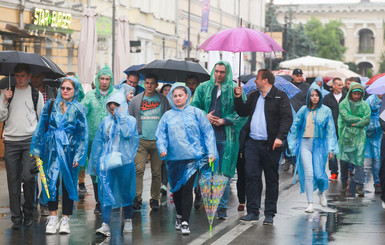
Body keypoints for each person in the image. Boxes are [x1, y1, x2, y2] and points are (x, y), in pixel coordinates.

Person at [156, 84, 217, 235]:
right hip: (174, 159)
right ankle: (179, 215)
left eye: (180, 95)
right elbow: (161, 134)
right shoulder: (167, 116)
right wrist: (162, 148)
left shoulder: (197, 113)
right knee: (177, 189)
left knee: (187, 189)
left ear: (187, 96)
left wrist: (211, 152)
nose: (177, 98)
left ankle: (185, 222)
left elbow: (208, 132)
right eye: (175, 96)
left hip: (193, 159)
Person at [30, 77, 88, 234]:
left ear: (75, 90)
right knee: (50, 182)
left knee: (68, 183)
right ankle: (53, 216)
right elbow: (41, 127)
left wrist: (79, 155)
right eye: (63, 88)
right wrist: (36, 149)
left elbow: (83, 133)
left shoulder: (79, 108)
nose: (65, 91)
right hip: (51, 149)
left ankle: (66, 219)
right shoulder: (50, 105)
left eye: (69, 88)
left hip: (70, 149)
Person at [234, 69, 292, 225]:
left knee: (271, 179)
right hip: (252, 143)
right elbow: (242, 111)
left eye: (257, 78)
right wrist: (238, 97)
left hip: (271, 145)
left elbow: (287, 119)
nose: (255, 81)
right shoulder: (254, 95)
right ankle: (253, 211)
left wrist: (280, 137)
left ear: (265, 80)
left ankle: (269, 213)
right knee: (251, 176)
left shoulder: (280, 96)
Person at [191, 61, 247, 219]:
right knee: (208, 173)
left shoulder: (235, 89)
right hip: (206, 139)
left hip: (227, 138)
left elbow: (243, 113)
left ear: (227, 72)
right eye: (216, 71)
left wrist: (225, 120)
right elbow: (194, 107)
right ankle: (209, 202)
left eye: (222, 72)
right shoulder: (203, 88)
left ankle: (222, 208)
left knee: (225, 175)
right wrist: (205, 115)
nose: (219, 74)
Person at [88, 92, 139, 236]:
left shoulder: (130, 120)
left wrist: (120, 120)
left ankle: (128, 219)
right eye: (111, 109)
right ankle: (105, 224)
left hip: (125, 162)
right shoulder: (105, 121)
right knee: (105, 192)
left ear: (123, 106)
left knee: (125, 192)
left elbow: (129, 134)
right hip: (108, 163)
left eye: (116, 107)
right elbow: (99, 142)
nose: (113, 111)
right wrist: (96, 162)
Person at [0, 63, 44, 230]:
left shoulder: (36, 94)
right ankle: (16, 217)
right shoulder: (7, 92)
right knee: (13, 181)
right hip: (11, 142)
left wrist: (40, 142)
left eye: (23, 76)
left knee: (28, 177)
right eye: (17, 76)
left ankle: (29, 213)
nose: (20, 79)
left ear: (29, 76)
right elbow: (0, 116)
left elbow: (41, 118)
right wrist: (5, 100)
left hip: (29, 141)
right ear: (14, 75)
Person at [287, 84, 338, 213]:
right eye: (312, 95)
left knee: (319, 174)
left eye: (317, 95)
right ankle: (310, 203)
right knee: (309, 174)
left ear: (320, 96)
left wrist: (331, 148)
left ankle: (321, 192)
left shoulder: (326, 110)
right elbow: (294, 127)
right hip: (305, 144)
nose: (314, 98)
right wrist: (293, 145)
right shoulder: (303, 110)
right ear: (309, 96)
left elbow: (331, 130)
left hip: (320, 145)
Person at [128, 73, 171, 210]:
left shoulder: (163, 100)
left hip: (157, 141)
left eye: (152, 83)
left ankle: (154, 198)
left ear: (157, 85)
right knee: (138, 169)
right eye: (147, 83)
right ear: (144, 84)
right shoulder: (136, 100)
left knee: (156, 172)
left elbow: (168, 119)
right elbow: (129, 119)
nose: (149, 86)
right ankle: (137, 197)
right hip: (140, 140)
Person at [82, 65, 117, 214]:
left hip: (111, 141)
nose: (104, 82)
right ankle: (98, 202)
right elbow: (82, 113)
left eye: (107, 79)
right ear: (97, 80)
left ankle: (109, 200)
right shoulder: (90, 95)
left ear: (111, 80)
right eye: (101, 78)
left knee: (109, 170)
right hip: (92, 140)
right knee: (95, 171)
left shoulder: (116, 95)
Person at [338, 82, 371, 196]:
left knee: (359, 161)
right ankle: (343, 182)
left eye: (358, 94)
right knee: (344, 160)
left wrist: (356, 124)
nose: (356, 96)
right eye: (354, 94)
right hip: (346, 135)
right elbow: (345, 118)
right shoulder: (343, 104)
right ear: (350, 93)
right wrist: (359, 119)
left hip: (359, 136)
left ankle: (359, 185)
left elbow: (366, 120)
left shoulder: (365, 105)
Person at [323, 77, 346, 181]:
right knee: (331, 150)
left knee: (344, 150)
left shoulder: (346, 96)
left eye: (342, 85)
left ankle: (346, 171)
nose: (341, 87)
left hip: (344, 128)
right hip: (331, 128)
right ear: (333, 86)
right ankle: (333, 172)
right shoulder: (327, 98)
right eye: (339, 85)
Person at [364, 94, 383, 194]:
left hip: (382, 131)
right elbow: (365, 115)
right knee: (376, 158)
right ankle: (377, 182)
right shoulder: (370, 100)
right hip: (374, 132)